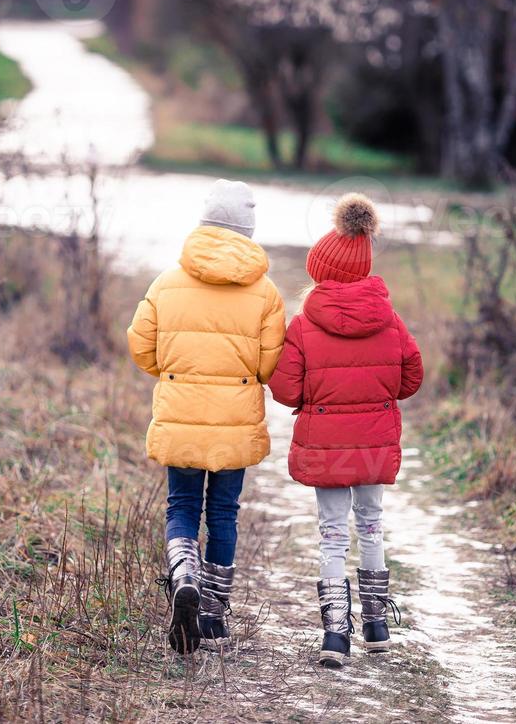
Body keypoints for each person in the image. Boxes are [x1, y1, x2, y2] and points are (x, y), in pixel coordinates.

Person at [127, 179, 285, 654]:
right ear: (248, 230)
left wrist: (175, 373)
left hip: (181, 413)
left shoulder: (167, 281)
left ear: (204, 222)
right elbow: (268, 366)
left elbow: (141, 346)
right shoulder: (266, 292)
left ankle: (182, 576)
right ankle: (213, 615)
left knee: (182, 506)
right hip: (235, 420)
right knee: (223, 512)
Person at [269, 193, 423, 668]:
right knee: (372, 528)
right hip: (374, 446)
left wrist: (316, 398)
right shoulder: (389, 320)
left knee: (332, 534)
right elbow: (411, 376)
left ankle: (335, 636)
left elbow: (285, 389)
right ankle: (377, 627)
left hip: (327, 448)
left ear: (322, 270)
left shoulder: (303, 325)